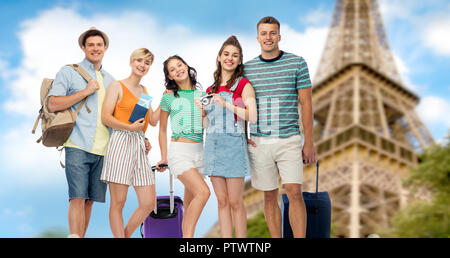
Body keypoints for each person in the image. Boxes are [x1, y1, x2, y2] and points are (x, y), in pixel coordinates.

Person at [244, 16, 318, 238]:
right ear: (258, 38)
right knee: (269, 196)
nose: (268, 37)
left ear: (279, 36)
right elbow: (240, 104)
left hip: (289, 139)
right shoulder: (246, 69)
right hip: (259, 141)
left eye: (272, 33)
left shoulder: (297, 63)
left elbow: (306, 103)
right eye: (264, 33)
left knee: (294, 192)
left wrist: (309, 142)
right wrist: (243, 135)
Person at [47, 27, 115, 238]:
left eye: (99, 45)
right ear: (83, 47)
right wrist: (85, 91)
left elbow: (115, 116)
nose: (95, 48)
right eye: (91, 45)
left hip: (103, 149)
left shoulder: (111, 80)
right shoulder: (69, 72)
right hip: (77, 143)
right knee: (77, 197)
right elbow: (52, 104)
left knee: (90, 200)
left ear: (105, 48)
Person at [196, 36, 257, 238]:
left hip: (233, 147)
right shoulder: (209, 90)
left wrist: (226, 104)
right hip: (213, 146)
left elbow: (252, 115)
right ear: (219, 57)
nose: (230, 58)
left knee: (235, 202)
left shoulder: (243, 85)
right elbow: (206, 124)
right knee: (221, 201)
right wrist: (201, 112)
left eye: (235, 55)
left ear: (239, 61)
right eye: (226, 54)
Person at [100, 48, 161, 238]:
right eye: (139, 61)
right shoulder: (117, 86)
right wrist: (129, 128)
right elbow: (105, 117)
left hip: (139, 145)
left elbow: (151, 121)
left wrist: (167, 98)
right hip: (120, 141)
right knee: (118, 203)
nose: (142, 65)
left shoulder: (144, 92)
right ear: (131, 61)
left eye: (147, 62)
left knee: (148, 203)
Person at [156, 55, 210, 238]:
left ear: (186, 66)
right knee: (203, 192)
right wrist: (164, 157)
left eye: (179, 65)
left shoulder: (203, 96)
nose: (178, 69)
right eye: (172, 69)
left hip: (200, 153)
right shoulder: (168, 97)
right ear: (170, 76)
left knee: (190, 204)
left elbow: (207, 125)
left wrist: (205, 113)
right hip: (180, 153)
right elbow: (161, 129)